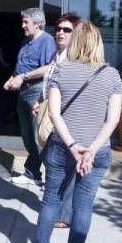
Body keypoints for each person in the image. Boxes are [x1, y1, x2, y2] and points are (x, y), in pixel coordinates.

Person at [17, 22, 122, 243]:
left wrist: (74, 146)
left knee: (51, 200)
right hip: (97, 152)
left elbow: (54, 113)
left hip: (61, 147)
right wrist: (91, 150)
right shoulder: (111, 75)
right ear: (98, 43)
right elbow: (113, 119)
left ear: (75, 42)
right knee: (83, 205)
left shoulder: (60, 71)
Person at [35, 12, 82, 229]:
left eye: (66, 30)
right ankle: (58, 208)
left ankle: (64, 215)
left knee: (67, 166)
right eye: (58, 29)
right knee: (54, 163)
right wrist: (41, 100)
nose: (60, 33)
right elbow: (51, 84)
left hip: (67, 118)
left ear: (77, 34)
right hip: (52, 114)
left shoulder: (74, 59)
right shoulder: (58, 55)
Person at [3, 8, 57, 187]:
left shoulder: (47, 41)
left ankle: (34, 173)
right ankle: (34, 173)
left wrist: (23, 77)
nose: (23, 25)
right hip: (23, 92)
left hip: (36, 91)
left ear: (37, 24)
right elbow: (21, 66)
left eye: (26, 22)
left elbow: (48, 68)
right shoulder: (26, 41)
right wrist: (12, 78)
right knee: (27, 136)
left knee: (37, 136)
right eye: (23, 21)